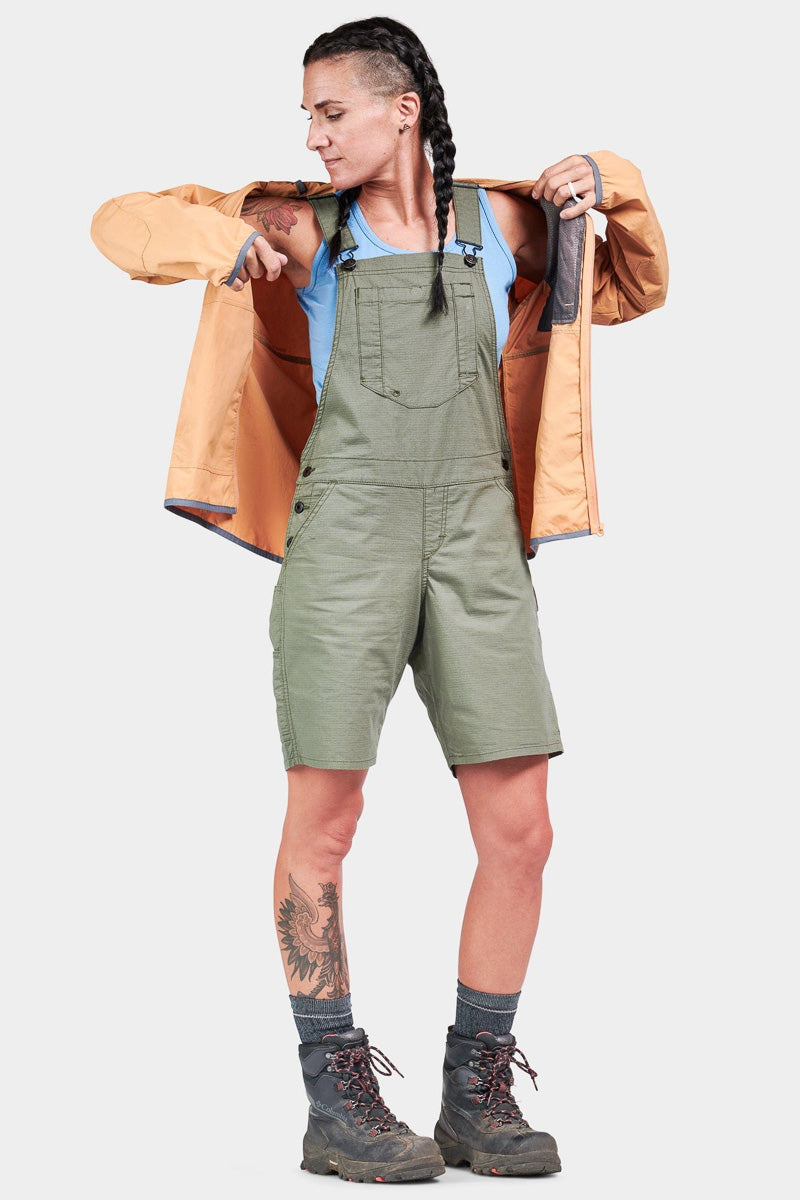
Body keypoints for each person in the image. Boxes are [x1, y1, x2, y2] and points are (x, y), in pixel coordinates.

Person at [90, 15, 668, 1183]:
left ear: (401, 110)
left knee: (521, 828)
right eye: (305, 116)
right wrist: (216, 239)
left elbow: (634, 286)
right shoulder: (301, 227)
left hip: (478, 537)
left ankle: (475, 1091)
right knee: (326, 821)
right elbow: (116, 224)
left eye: (329, 111)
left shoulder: (502, 223)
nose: (312, 134)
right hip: (344, 538)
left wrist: (612, 181)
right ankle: (334, 1097)